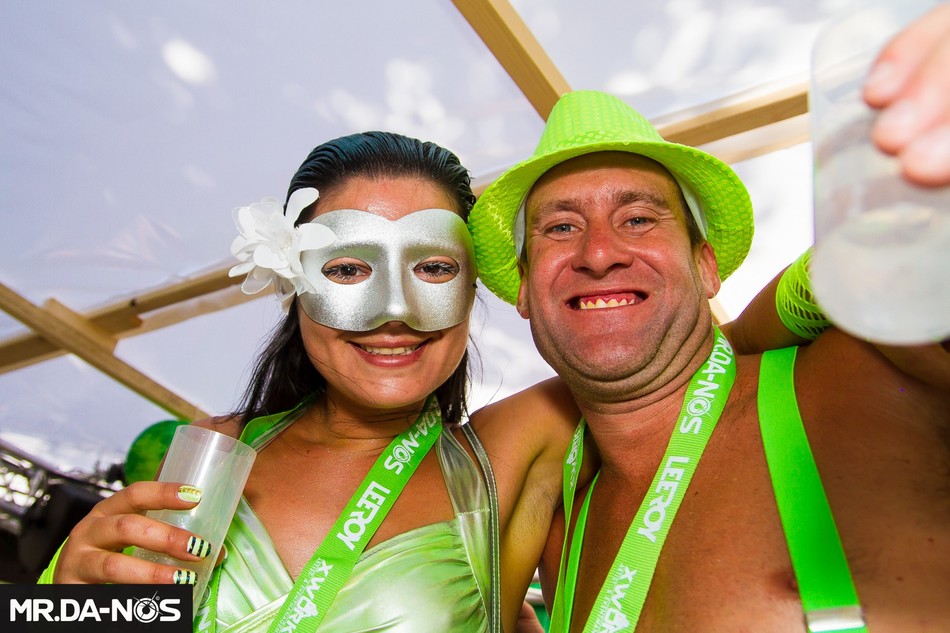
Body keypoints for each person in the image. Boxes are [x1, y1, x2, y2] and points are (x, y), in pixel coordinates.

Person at [466, 7, 950, 630]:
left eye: (638, 218)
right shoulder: (558, 532)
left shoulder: (863, 384)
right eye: (560, 228)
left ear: (706, 267)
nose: (599, 253)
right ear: (525, 291)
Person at [38, 130, 586, 632]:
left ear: (473, 285)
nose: (395, 310)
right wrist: (63, 606)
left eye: (434, 268)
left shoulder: (525, 445)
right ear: (293, 282)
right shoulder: (211, 455)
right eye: (347, 269)